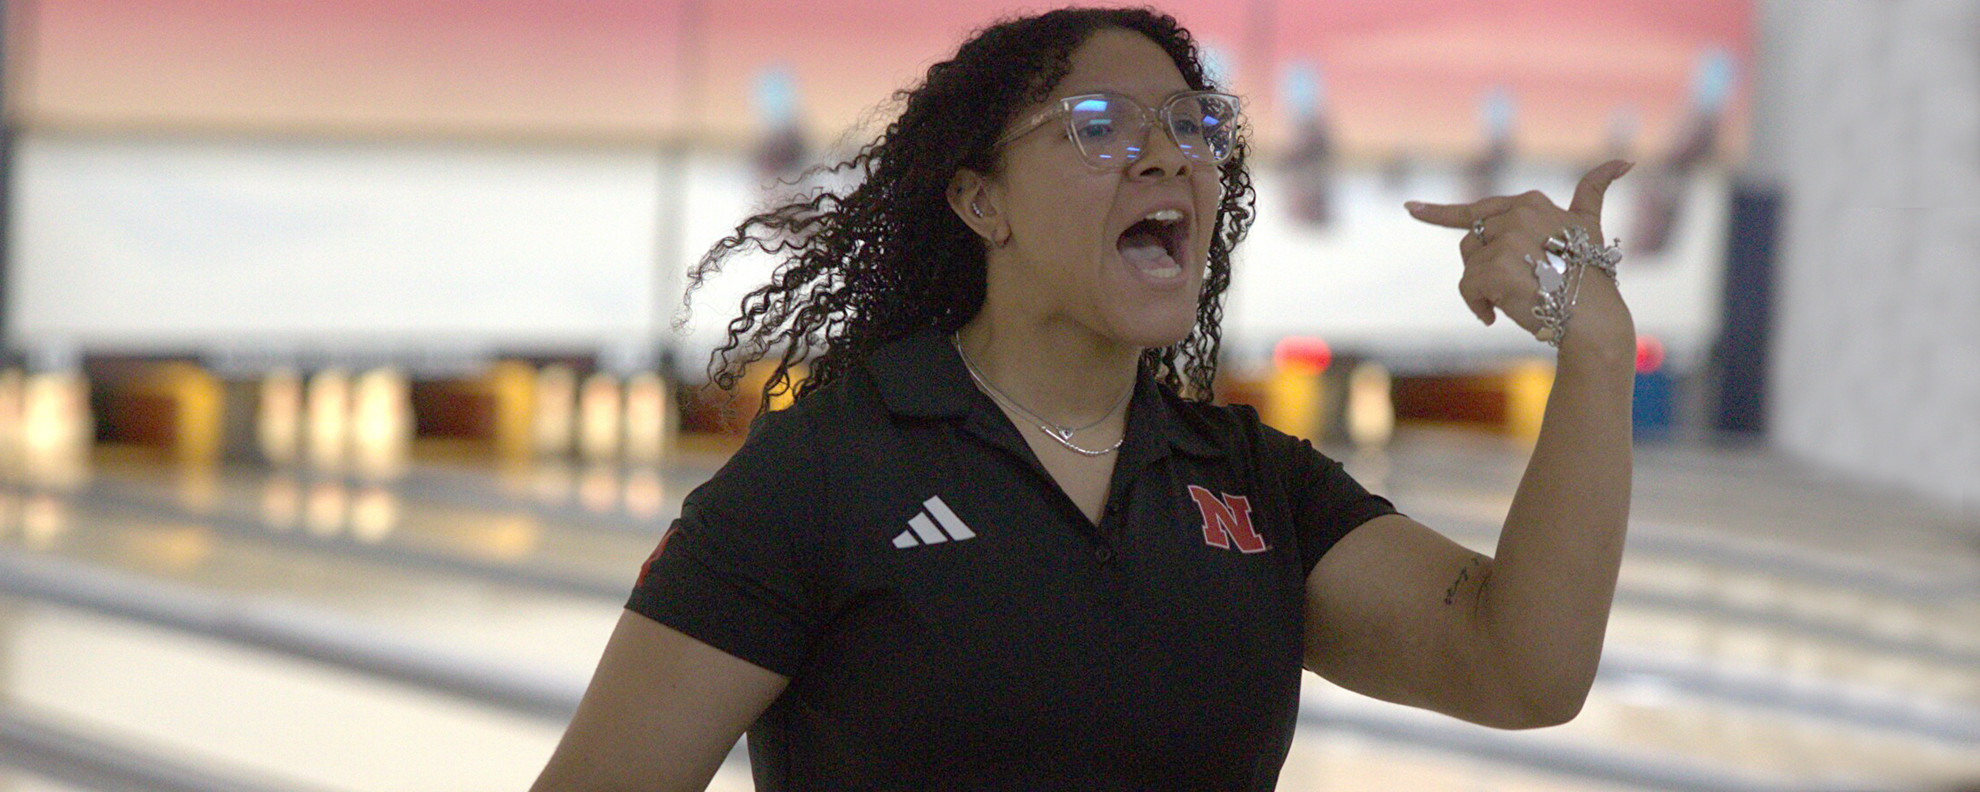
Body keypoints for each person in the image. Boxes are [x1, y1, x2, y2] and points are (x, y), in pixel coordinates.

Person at [532, 7, 1635, 791]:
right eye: (1100, 126)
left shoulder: (1255, 485)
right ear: (982, 203)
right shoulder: (825, 473)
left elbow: (1522, 669)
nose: (1166, 158)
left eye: (1192, 127)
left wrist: (1595, 351)